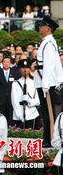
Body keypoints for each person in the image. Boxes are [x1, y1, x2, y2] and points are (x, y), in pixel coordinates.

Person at [34, 15, 63, 147]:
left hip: (47, 84)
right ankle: (48, 138)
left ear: (48, 28)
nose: (39, 27)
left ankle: (50, 139)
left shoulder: (49, 43)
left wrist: (45, 84)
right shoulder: (47, 42)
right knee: (45, 112)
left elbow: (49, 65)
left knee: (48, 113)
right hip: (44, 82)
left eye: (42, 25)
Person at [11, 59, 40, 129]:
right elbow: (14, 101)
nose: (25, 70)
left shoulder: (34, 82)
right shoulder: (15, 83)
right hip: (19, 114)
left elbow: (38, 101)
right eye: (23, 68)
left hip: (32, 113)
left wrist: (30, 101)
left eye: (27, 68)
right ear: (20, 69)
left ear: (29, 69)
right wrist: (19, 115)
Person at [0, 56, 20, 126]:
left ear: (10, 63)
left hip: (11, 99)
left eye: (8, 62)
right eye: (4, 62)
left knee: (10, 117)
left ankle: (10, 130)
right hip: (1, 99)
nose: (6, 63)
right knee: (1, 118)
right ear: (2, 63)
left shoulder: (15, 72)